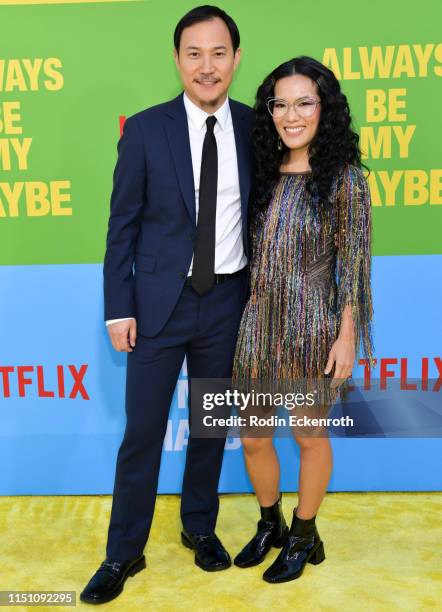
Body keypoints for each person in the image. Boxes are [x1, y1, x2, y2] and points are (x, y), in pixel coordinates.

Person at [80, 5, 253, 605]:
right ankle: (123, 552)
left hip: (230, 302)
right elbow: (120, 226)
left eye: (219, 53)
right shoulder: (147, 130)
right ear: (178, 59)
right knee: (144, 432)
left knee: (211, 428)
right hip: (157, 306)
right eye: (194, 54)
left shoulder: (257, 129)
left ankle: (198, 527)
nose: (207, 67)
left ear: (235, 58)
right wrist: (117, 308)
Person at [231, 56, 374, 583]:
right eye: (281, 104)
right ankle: (269, 522)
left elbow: (355, 266)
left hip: (314, 329)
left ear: (325, 109)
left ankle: (304, 531)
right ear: (269, 111)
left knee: (311, 438)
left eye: (304, 103)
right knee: (252, 437)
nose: (291, 115)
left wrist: (347, 334)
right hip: (257, 327)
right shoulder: (263, 173)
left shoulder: (345, 179)